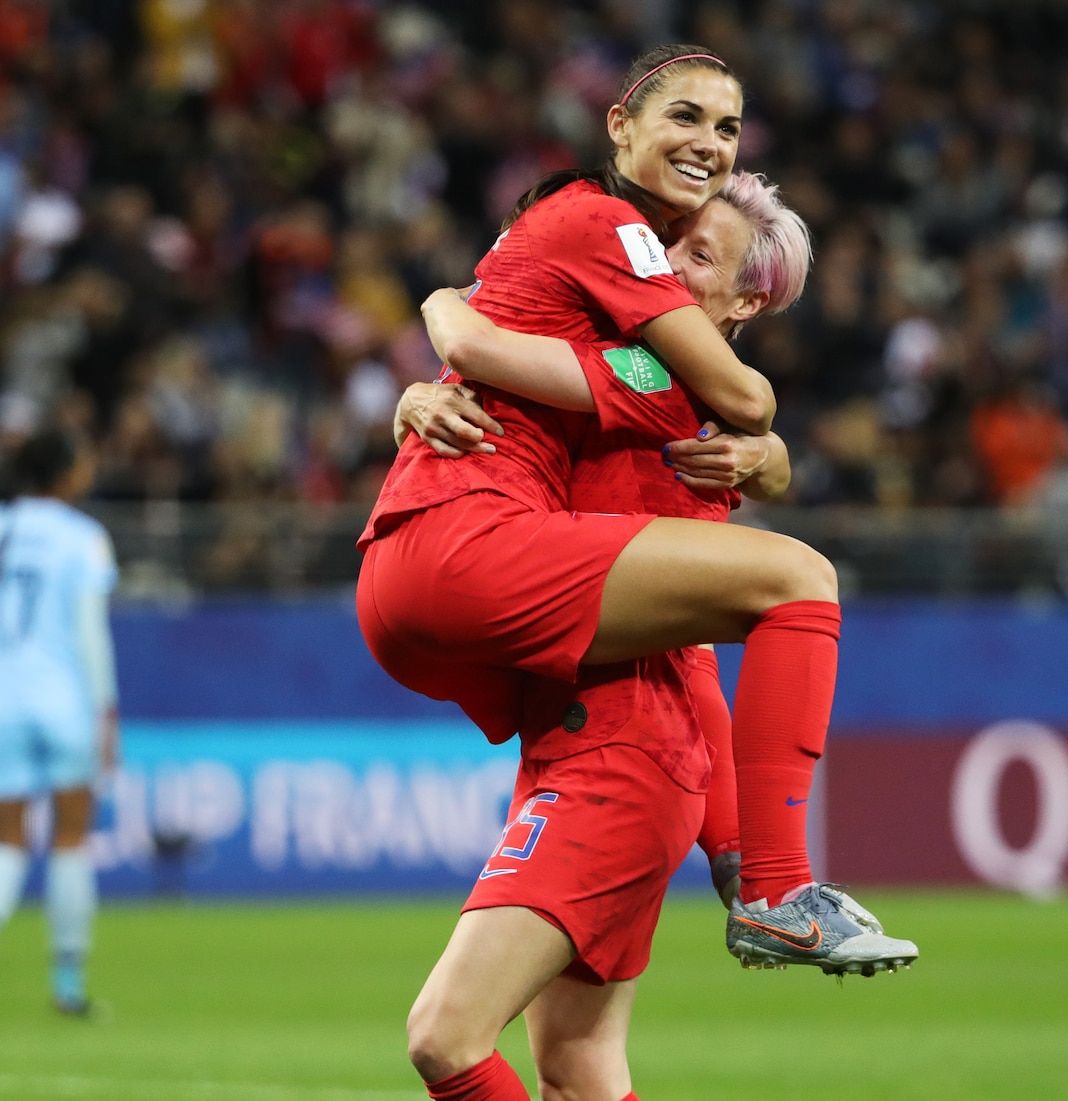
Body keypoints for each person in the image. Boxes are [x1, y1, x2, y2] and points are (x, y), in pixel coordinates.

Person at [357, 46, 908, 1008]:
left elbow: (691, 655)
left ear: (745, 302)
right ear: (620, 125)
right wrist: (440, 351)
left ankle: (773, 885)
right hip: (570, 724)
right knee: (534, 1057)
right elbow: (500, 347)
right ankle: (779, 889)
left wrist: (452, 324)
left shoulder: (683, 427)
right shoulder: (625, 306)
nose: (661, 261)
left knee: (493, 1048)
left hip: (620, 754)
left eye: (697, 255)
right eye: (669, 246)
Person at [0, 429, 118, 1017]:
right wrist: (106, 710)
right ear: (66, 472)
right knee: (70, 838)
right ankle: (68, 984)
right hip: (65, 701)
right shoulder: (83, 538)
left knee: (6, 840)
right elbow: (90, 633)